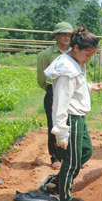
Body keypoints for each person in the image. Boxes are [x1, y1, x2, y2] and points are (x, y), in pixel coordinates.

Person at [44, 27, 102, 201]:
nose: (89, 59)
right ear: (76, 48)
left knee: (85, 151)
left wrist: (90, 87)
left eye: (92, 55)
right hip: (71, 118)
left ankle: (59, 180)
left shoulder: (75, 63)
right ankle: (65, 196)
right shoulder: (67, 71)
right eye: (87, 54)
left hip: (79, 116)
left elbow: (76, 88)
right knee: (73, 159)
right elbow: (60, 103)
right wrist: (61, 131)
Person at [37, 22, 73, 170]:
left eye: (69, 35)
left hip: (71, 93)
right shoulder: (46, 55)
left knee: (71, 122)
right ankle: (56, 157)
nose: (66, 37)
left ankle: (69, 156)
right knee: (54, 125)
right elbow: (41, 78)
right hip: (53, 91)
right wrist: (52, 91)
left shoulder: (74, 53)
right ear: (56, 35)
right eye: (63, 34)